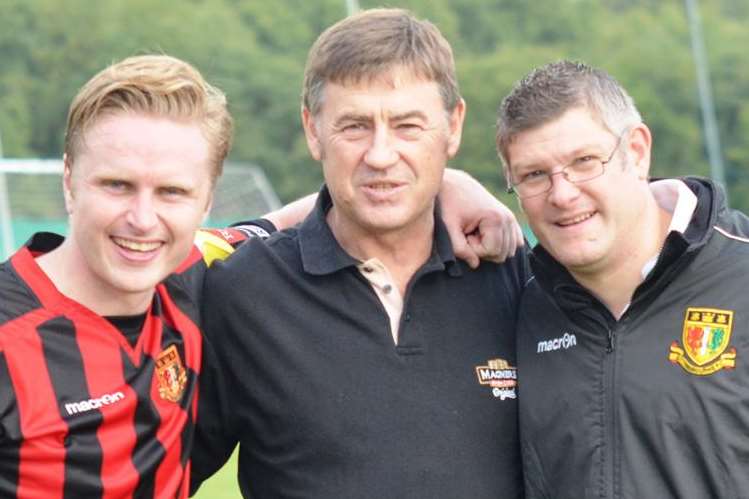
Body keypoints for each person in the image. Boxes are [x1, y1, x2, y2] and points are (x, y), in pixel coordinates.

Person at [191, 8, 527, 499]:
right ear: (313, 130)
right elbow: (159, 474)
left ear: (453, 127)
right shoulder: (242, 292)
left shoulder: (514, 276)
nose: (381, 155)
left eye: (408, 126)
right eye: (354, 127)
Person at [498, 60, 749, 499]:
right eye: (534, 175)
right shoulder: (517, 304)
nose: (562, 193)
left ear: (636, 152)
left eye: (584, 161)